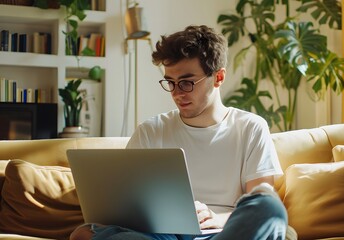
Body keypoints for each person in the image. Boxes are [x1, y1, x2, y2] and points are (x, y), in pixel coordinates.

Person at [70, 25, 288, 240]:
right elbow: (125, 207)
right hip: (161, 235)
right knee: (89, 231)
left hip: (220, 232)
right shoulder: (151, 130)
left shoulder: (250, 127)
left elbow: (260, 197)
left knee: (269, 207)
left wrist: (219, 218)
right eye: (170, 82)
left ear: (219, 77)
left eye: (186, 83)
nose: (176, 93)